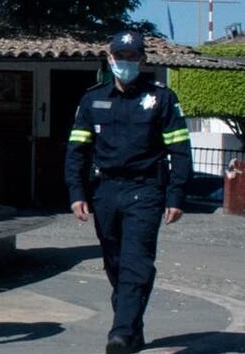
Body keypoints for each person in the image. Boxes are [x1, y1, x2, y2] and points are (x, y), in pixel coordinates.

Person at [65, 31, 192, 354]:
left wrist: (176, 196)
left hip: (145, 189)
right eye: (119, 57)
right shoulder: (92, 99)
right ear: (109, 59)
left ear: (142, 60)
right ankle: (132, 323)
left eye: (131, 58)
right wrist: (76, 192)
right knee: (115, 264)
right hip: (105, 191)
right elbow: (77, 151)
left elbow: (179, 150)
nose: (125, 63)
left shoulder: (161, 99)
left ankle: (120, 333)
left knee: (137, 262)